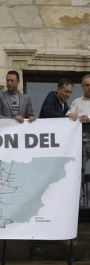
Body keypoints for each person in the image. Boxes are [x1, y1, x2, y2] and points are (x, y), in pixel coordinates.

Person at [67, 74, 90, 205]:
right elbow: (69, 113)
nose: (89, 87)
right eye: (87, 85)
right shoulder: (76, 101)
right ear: (82, 86)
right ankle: (78, 202)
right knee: (77, 173)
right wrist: (71, 114)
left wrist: (89, 118)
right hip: (80, 143)